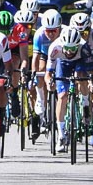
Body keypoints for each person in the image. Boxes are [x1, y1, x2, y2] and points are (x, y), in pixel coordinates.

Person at [46, 26, 93, 149]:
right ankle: (61, 135)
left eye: (73, 48)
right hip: (62, 64)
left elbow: (91, 72)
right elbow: (48, 73)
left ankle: (85, 105)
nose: (69, 51)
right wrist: (49, 82)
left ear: (77, 44)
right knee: (62, 96)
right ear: (62, 44)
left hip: (80, 62)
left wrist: (92, 84)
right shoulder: (55, 48)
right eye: (67, 48)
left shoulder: (84, 48)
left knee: (81, 76)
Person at [30, 8, 64, 137]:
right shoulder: (39, 34)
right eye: (48, 31)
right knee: (40, 72)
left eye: (53, 31)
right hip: (45, 55)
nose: (50, 34)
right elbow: (35, 57)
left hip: (60, 55)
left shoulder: (65, 32)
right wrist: (34, 73)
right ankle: (41, 98)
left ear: (59, 28)